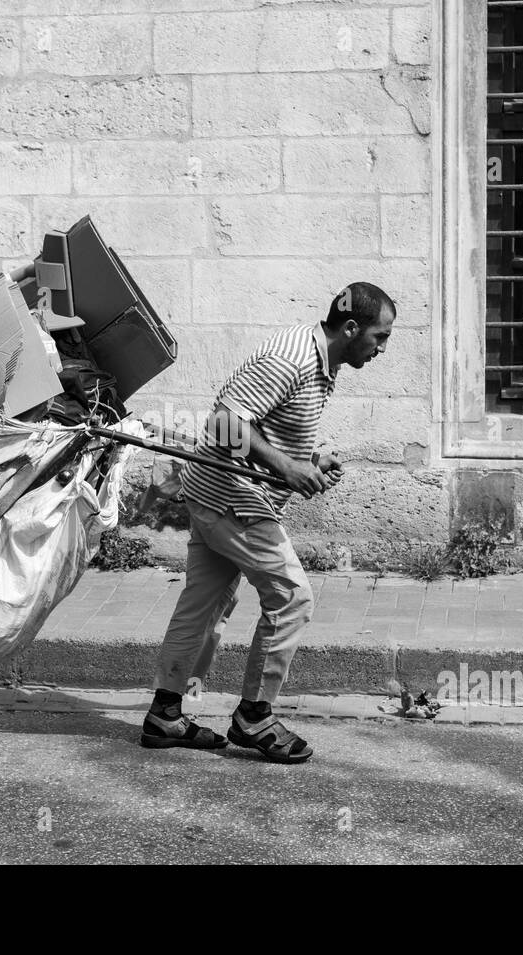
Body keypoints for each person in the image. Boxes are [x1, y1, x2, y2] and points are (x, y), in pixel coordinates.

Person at [140, 282, 397, 763]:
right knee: (292, 598)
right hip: (234, 502)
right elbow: (223, 424)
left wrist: (309, 459)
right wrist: (285, 467)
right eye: (380, 337)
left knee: (202, 607)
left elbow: (262, 426)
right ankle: (254, 717)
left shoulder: (321, 362)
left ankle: (165, 715)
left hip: (217, 496)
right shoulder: (292, 358)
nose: (382, 348)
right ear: (350, 328)